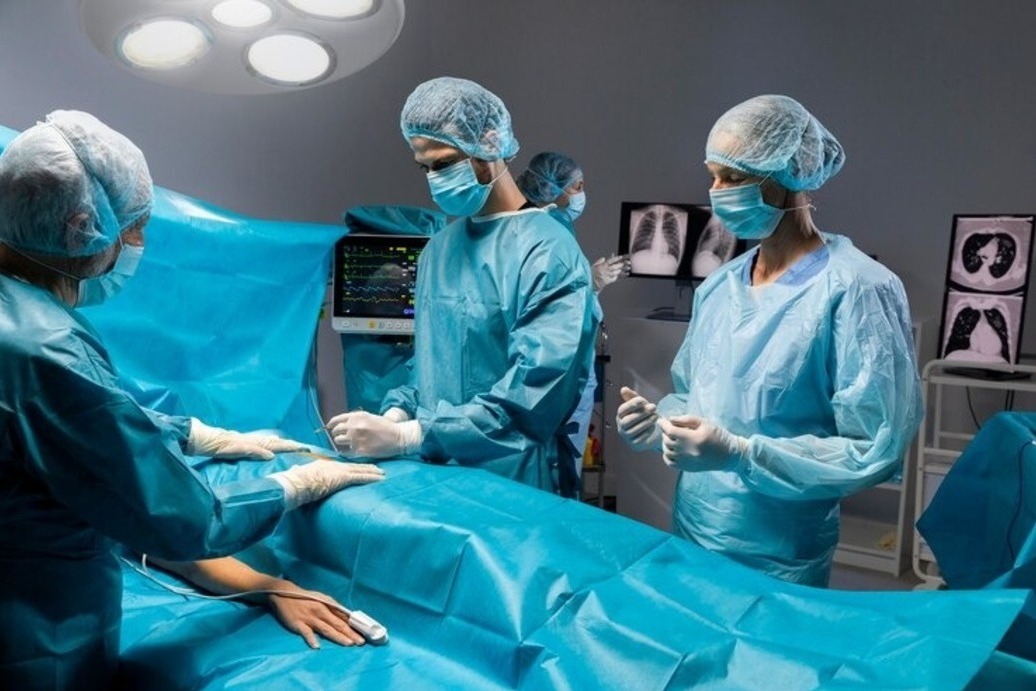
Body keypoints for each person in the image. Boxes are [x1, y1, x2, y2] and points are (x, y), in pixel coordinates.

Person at [0, 110, 385, 689]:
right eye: (136, 229)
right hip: (32, 640)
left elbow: (70, 431)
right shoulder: (47, 349)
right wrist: (294, 486)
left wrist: (193, 434)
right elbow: (176, 518)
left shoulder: (23, 323)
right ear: (81, 226)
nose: (139, 245)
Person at [615, 94, 923, 587]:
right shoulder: (720, 286)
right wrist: (661, 424)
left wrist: (742, 454)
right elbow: (699, 396)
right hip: (695, 527)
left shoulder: (858, 289)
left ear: (789, 175)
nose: (716, 193)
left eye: (733, 178)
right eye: (713, 176)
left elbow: (873, 446)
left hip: (779, 552)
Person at [328, 77, 600, 496]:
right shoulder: (438, 249)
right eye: (425, 168)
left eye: (444, 163)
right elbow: (429, 366)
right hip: (437, 477)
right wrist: (399, 412)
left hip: (514, 482)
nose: (434, 178)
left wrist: (411, 436)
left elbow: (537, 396)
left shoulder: (549, 251)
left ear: (489, 144)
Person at [516, 152, 625, 489]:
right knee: (554, 472)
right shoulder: (546, 231)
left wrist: (590, 284)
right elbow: (551, 306)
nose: (582, 194)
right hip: (559, 370)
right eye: (577, 186)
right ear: (551, 188)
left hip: (565, 365)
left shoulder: (550, 227)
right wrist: (590, 284)